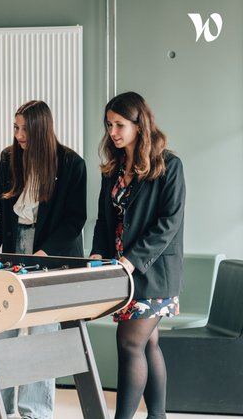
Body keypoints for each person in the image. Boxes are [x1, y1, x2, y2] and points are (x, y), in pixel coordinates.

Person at [0, 100, 86, 419]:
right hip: (15, 244)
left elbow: (75, 220)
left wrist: (45, 253)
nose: (19, 135)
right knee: (2, 324)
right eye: (15, 127)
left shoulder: (71, 163)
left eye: (24, 129)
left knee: (43, 331)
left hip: (52, 251)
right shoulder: (9, 158)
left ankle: (35, 411)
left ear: (41, 129)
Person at [90, 91, 185, 419]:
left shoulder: (169, 165)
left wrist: (131, 260)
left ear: (138, 125)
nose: (112, 132)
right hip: (121, 272)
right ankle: (157, 416)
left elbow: (169, 223)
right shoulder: (113, 169)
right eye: (109, 125)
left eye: (119, 124)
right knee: (147, 344)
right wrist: (97, 259)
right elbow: (105, 221)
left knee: (130, 343)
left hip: (152, 272)